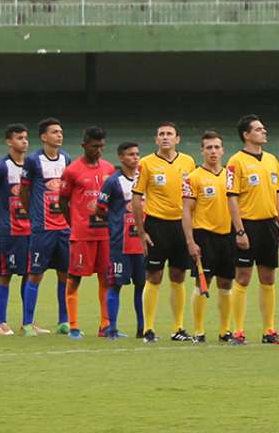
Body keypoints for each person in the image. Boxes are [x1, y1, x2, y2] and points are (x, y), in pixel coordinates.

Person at [132, 121, 197, 342]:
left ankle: (178, 327)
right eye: (161, 134)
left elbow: (193, 197)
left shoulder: (188, 162)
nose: (165, 137)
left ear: (177, 138)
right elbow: (136, 197)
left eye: (170, 134)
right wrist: (141, 232)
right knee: (154, 275)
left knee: (179, 275)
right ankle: (148, 329)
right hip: (156, 225)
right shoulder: (146, 163)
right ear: (156, 139)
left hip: (181, 224)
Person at [226, 114, 279, 344]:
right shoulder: (236, 162)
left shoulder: (272, 160)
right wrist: (239, 231)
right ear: (246, 135)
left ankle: (269, 331)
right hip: (247, 225)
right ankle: (238, 331)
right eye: (259, 129)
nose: (264, 132)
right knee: (242, 276)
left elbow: (277, 196)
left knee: (268, 277)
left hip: (269, 225)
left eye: (263, 128)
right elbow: (232, 199)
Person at [183, 130, 240, 343]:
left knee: (226, 283)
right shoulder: (193, 178)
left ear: (223, 150)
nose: (213, 151)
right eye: (209, 148)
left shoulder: (231, 177)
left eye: (217, 147)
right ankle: (199, 331)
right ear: (202, 151)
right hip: (204, 236)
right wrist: (190, 241)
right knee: (202, 283)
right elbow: (186, 211)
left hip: (228, 235)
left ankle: (225, 331)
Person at [60, 126, 116, 339]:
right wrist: (74, 224)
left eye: (102, 146)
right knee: (74, 279)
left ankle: (105, 325)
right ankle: (73, 326)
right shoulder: (72, 170)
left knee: (106, 279)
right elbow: (62, 200)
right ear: (84, 146)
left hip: (105, 234)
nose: (99, 150)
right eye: (94, 147)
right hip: (82, 234)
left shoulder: (109, 169)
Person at [22, 117, 74, 336]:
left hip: (64, 229)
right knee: (36, 274)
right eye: (54, 132)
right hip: (43, 228)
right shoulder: (33, 161)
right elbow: (24, 191)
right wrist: (34, 216)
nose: (59, 135)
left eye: (61, 131)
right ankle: (27, 323)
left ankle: (64, 321)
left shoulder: (67, 159)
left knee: (65, 274)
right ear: (44, 137)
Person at [96, 141, 148, 340]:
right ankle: (112, 328)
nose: (135, 157)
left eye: (137, 154)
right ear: (121, 158)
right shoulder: (113, 181)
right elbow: (100, 208)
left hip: (141, 243)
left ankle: (142, 328)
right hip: (120, 244)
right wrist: (114, 221)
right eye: (130, 154)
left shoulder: (144, 180)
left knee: (142, 286)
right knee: (115, 285)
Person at [0, 123, 31, 335]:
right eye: (20, 137)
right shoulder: (0, 167)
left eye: (26, 137)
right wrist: (2, 220)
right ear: (9, 142)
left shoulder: (32, 165)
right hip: (10, 231)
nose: (25, 141)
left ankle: (27, 322)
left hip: (31, 230)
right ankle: (2, 322)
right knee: (6, 274)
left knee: (30, 274)